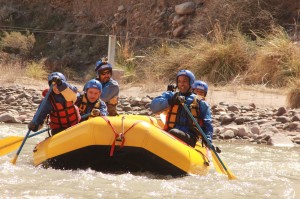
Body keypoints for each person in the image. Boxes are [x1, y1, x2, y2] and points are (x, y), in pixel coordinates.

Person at [150, 70, 213, 147]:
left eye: (185, 81)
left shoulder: (200, 102)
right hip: (168, 133)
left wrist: (208, 140)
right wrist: (170, 101)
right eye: (179, 81)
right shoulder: (171, 96)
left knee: (174, 132)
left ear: (191, 83)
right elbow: (153, 107)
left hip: (189, 137)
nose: (181, 84)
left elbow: (207, 123)